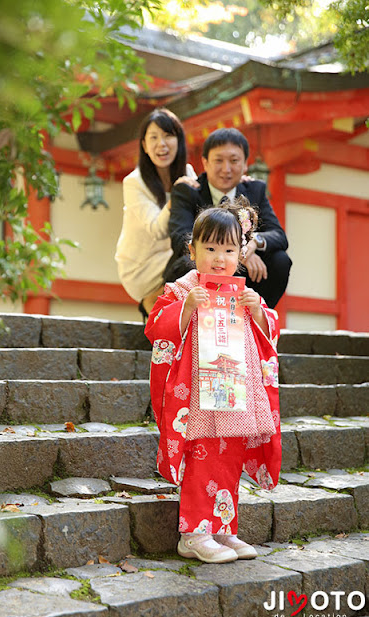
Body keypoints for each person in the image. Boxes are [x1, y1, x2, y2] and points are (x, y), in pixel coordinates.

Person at [145, 198, 282, 563]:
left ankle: (224, 528)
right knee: (201, 454)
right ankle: (193, 533)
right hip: (195, 396)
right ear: (192, 250)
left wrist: (258, 313)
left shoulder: (245, 295)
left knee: (229, 454)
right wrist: (188, 306)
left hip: (232, 388)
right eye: (210, 248)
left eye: (229, 249)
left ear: (241, 254)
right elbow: (155, 326)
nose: (219, 257)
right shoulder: (181, 290)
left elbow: (271, 331)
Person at [164, 127, 292, 308]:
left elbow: (279, 235)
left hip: (241, 271)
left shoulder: (255, 190)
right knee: (187, 263)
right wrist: (223, 253)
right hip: (200, 266)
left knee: (280, 261)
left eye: (234, 161)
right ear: (205, 162)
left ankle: (255, 319)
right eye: (218, 160)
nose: (226, 169)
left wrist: (250, 245)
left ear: (245, 164)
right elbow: (180, 239)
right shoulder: (188, 191)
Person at [115, 108, 198, 319]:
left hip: (171, 255)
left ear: (179, 140)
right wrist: (177, 196)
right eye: (153, 137)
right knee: (194, 260)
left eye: (168, 135)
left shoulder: (187, 172)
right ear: (144, 145)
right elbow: (156, 230)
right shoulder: (134, 182)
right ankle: (152, 302)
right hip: (141, 265)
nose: (161, 144)